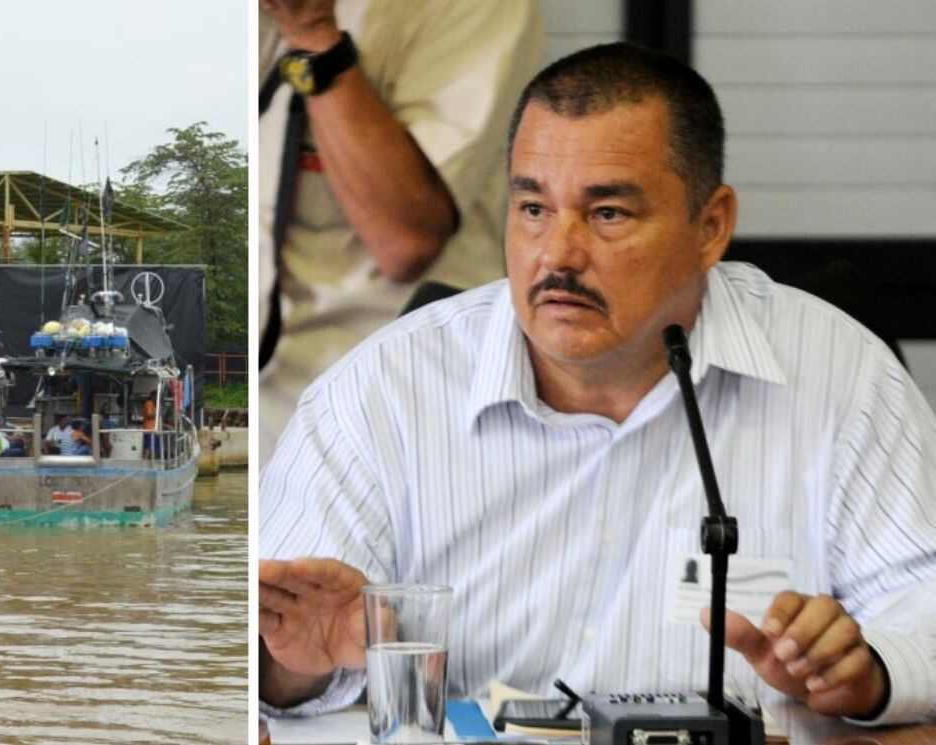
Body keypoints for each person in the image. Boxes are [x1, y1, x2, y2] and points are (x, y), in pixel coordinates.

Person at [259, 43, 936, 726]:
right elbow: (276, 660)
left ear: (710, 227)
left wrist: (867, 672)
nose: (557, 254)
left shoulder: (841, 375)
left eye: (607, 213)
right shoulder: (379, 391)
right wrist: (298, 661)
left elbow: (924, 611)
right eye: (532, 209)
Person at [257, 0, 545, 466]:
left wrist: (312, 33)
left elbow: (405, 239)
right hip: (271, 419)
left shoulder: (478, 9)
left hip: (401, 420)